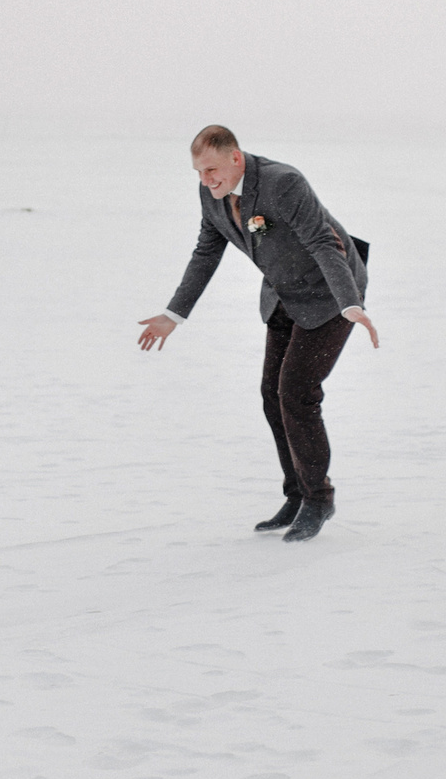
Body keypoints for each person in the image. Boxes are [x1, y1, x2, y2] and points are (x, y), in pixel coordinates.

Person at [137, 125, 379, 543]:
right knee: (272, 393)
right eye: (198, 172)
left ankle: (319, 499)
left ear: (236, 158)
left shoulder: (283, 182)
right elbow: (205, 253)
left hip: (330, 294)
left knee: (297, 394)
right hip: (284, 294)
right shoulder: (210, 194)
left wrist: (350, 301)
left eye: (211, 170)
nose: (205, 180)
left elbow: (324, 241)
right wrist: (173, 314)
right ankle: (297, 493)